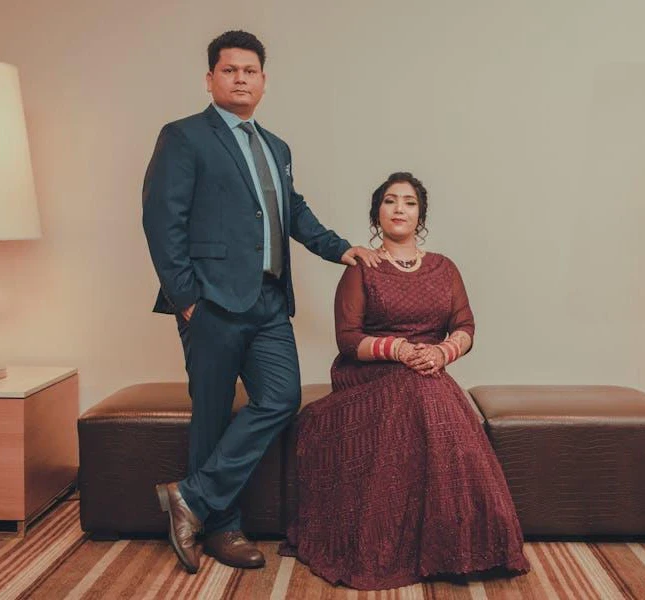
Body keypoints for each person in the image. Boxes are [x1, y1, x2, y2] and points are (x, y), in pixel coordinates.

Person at [142, 30, 379, 574]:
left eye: (250, 71)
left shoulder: (276, 147)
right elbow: (161, 221)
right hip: (211, 303)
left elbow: (293, 213)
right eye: (229, 71)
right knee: (211, 415)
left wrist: (343, 248)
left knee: (280, 397)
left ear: (264, 82)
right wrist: (186, 300)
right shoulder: (183, 137)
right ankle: (222, 528)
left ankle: (190, 498)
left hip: (270, 301)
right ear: (210, 79)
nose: (240, 79)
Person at [280, 172, 530, 589]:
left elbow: (465, 325)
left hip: (429, 372)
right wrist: (397, 350)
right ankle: (393, 545)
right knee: (420, 391)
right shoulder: (362, 268)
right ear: (377, 214)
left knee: (429, 391)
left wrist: (439, 353)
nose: (400, 209)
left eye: (409, 202)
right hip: (368, 376)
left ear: (421, 215)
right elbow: (347, 339)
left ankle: (460, 543)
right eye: (391, 201)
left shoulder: (444, 268)